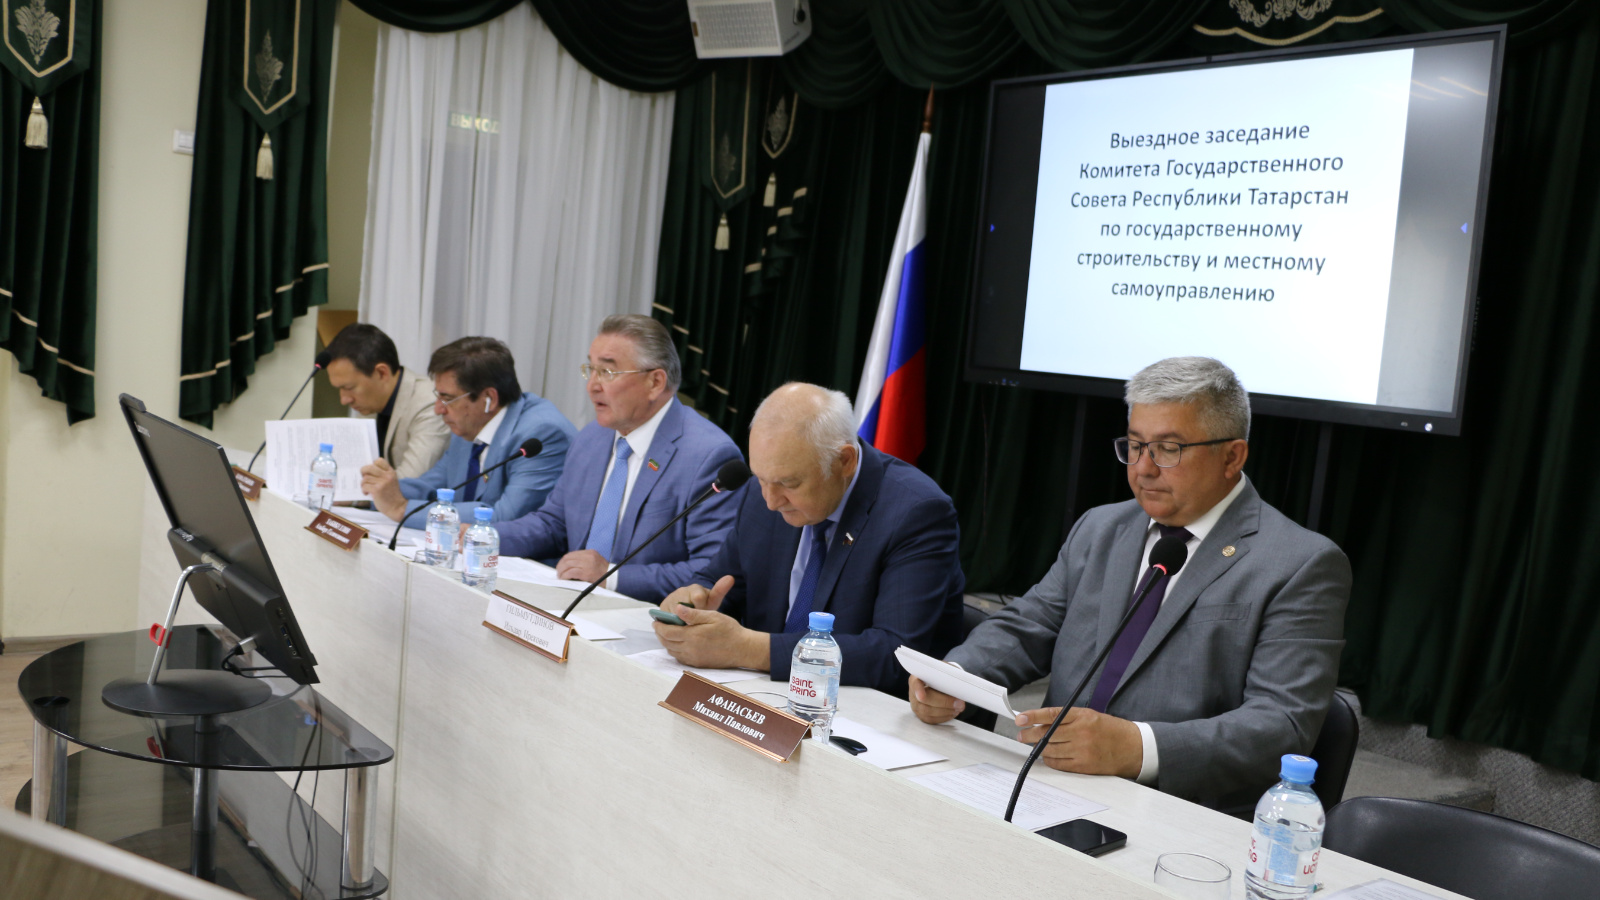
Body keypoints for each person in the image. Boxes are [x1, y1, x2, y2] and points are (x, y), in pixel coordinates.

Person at [909, 357, 1350, 808]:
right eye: (1135, 446)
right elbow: (1029, 624)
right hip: (1047, 782)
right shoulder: (1100, 527)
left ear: (1231, 457)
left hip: (1180, 809)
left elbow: (1280, 725)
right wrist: (955, 676)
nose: (1143, 469)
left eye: (1168, 449)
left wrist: (1138, 748)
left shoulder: (1300, 564)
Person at [652, 382, 965, 696]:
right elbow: (723, 580)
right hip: (764, 694)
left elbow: (894, 654)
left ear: (844, 461)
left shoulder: (916, 513)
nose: (771, 501)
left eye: (789, 484)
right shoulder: (764, 492)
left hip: (862, 707)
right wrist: (695, 599)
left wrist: (748, 649)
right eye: (760, 478)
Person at [494, 316, 742, 602]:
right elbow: (554, 525)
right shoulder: (592, 438)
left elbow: (712, 572)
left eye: (608, 372)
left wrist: (611, 577)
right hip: (569, 604)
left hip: (646, 617)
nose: (592, 386)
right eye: (591, 370)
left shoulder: (708, 456)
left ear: (655, 382)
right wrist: (483, 536)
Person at [360, 337, 576, 524]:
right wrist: (373, 492)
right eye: (438, 396)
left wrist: (401, 509)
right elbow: (430, 487)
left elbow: (505, 517)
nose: (438, 409)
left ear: (489, 399)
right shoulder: (468, 427)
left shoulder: (541, 434)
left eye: (448, 398)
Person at [323, 323, 451, 480]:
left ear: (381, 373)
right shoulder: (369, 404)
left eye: (349, 387)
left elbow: (411, 481)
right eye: (339, 389)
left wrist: (357, 489)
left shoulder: (428, 403)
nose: (344, 400)